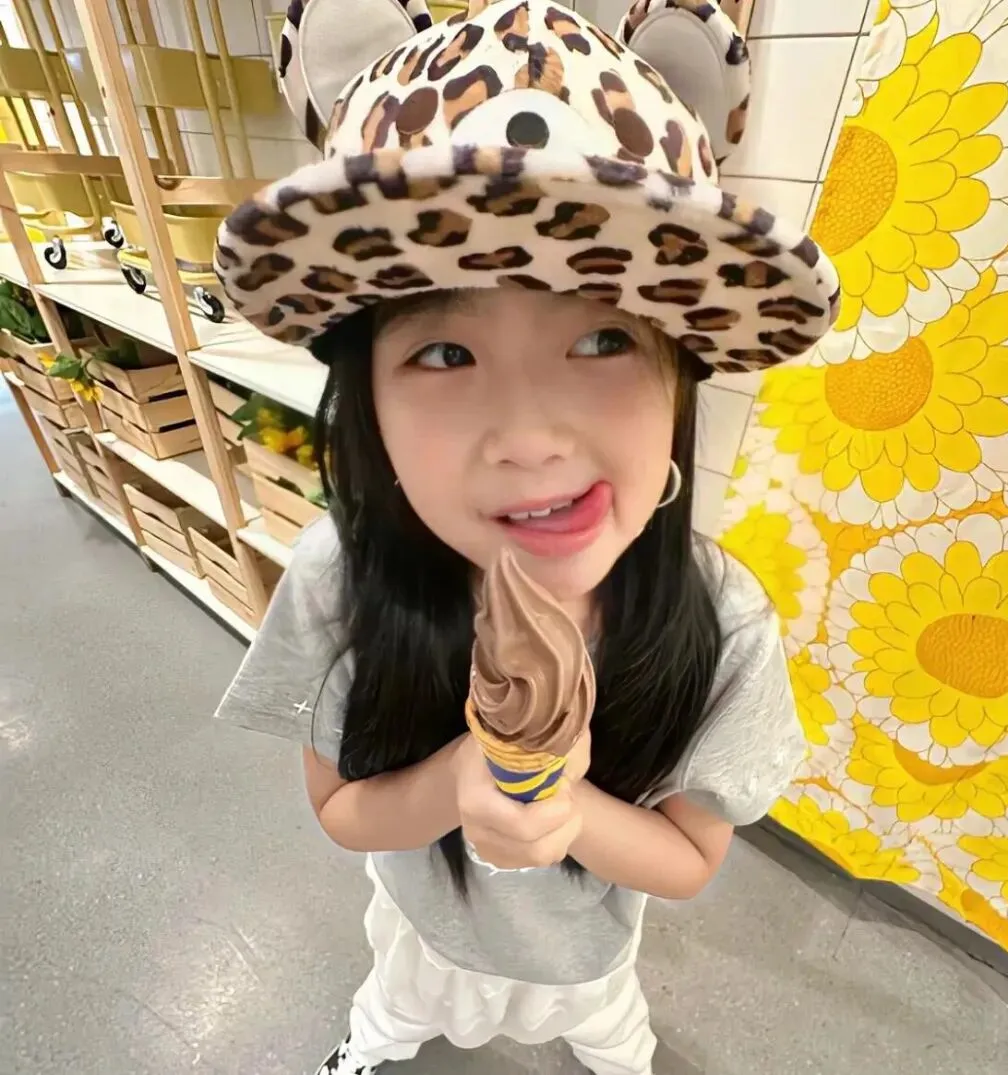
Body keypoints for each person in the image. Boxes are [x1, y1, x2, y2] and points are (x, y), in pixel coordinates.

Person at [212, 0, 840, 1072]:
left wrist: (565, 810)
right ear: (367, 404)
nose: (530, 437)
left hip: (586, 956)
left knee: (611, 1034)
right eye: (445, 354)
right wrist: (457, 782)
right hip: (420, 928)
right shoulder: (338, 579)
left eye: (602, 339)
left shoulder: (725, 625)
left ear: (681, 377)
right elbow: (342, 811)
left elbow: (690, 861)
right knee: (395, 1006)